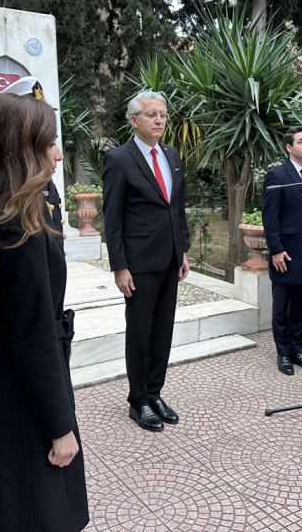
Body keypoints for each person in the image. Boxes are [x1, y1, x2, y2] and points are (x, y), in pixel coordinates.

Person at [0, 78, 89, 531]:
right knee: (35, 515)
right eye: (48, 143)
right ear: (18, 149)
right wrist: (60, 427)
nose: (58, 155)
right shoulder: (16, 227)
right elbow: (33, 336)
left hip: (2, 381)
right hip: (21, 392)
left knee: (6, 509)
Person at [102, 91, 191, 432]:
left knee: (163, 330)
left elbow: (177, 208)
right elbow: (113, 219)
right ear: (133, 120)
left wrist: (182, 250)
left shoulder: (171, 154)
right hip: (138, 262)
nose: (159, 120)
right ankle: (138, 400)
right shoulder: (118, 159)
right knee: (141, 333)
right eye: (152, 114)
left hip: (169, 258)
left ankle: (155, 393)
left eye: (163, 115)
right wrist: (119, 266)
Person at [262, 126, 302, 375]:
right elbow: (270, 216)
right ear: (289, 147)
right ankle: (283, 353)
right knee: (281, 308)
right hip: (286, 254)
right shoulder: (277, 175)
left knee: (301, 306)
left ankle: (297, 351)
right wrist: (276, 249)